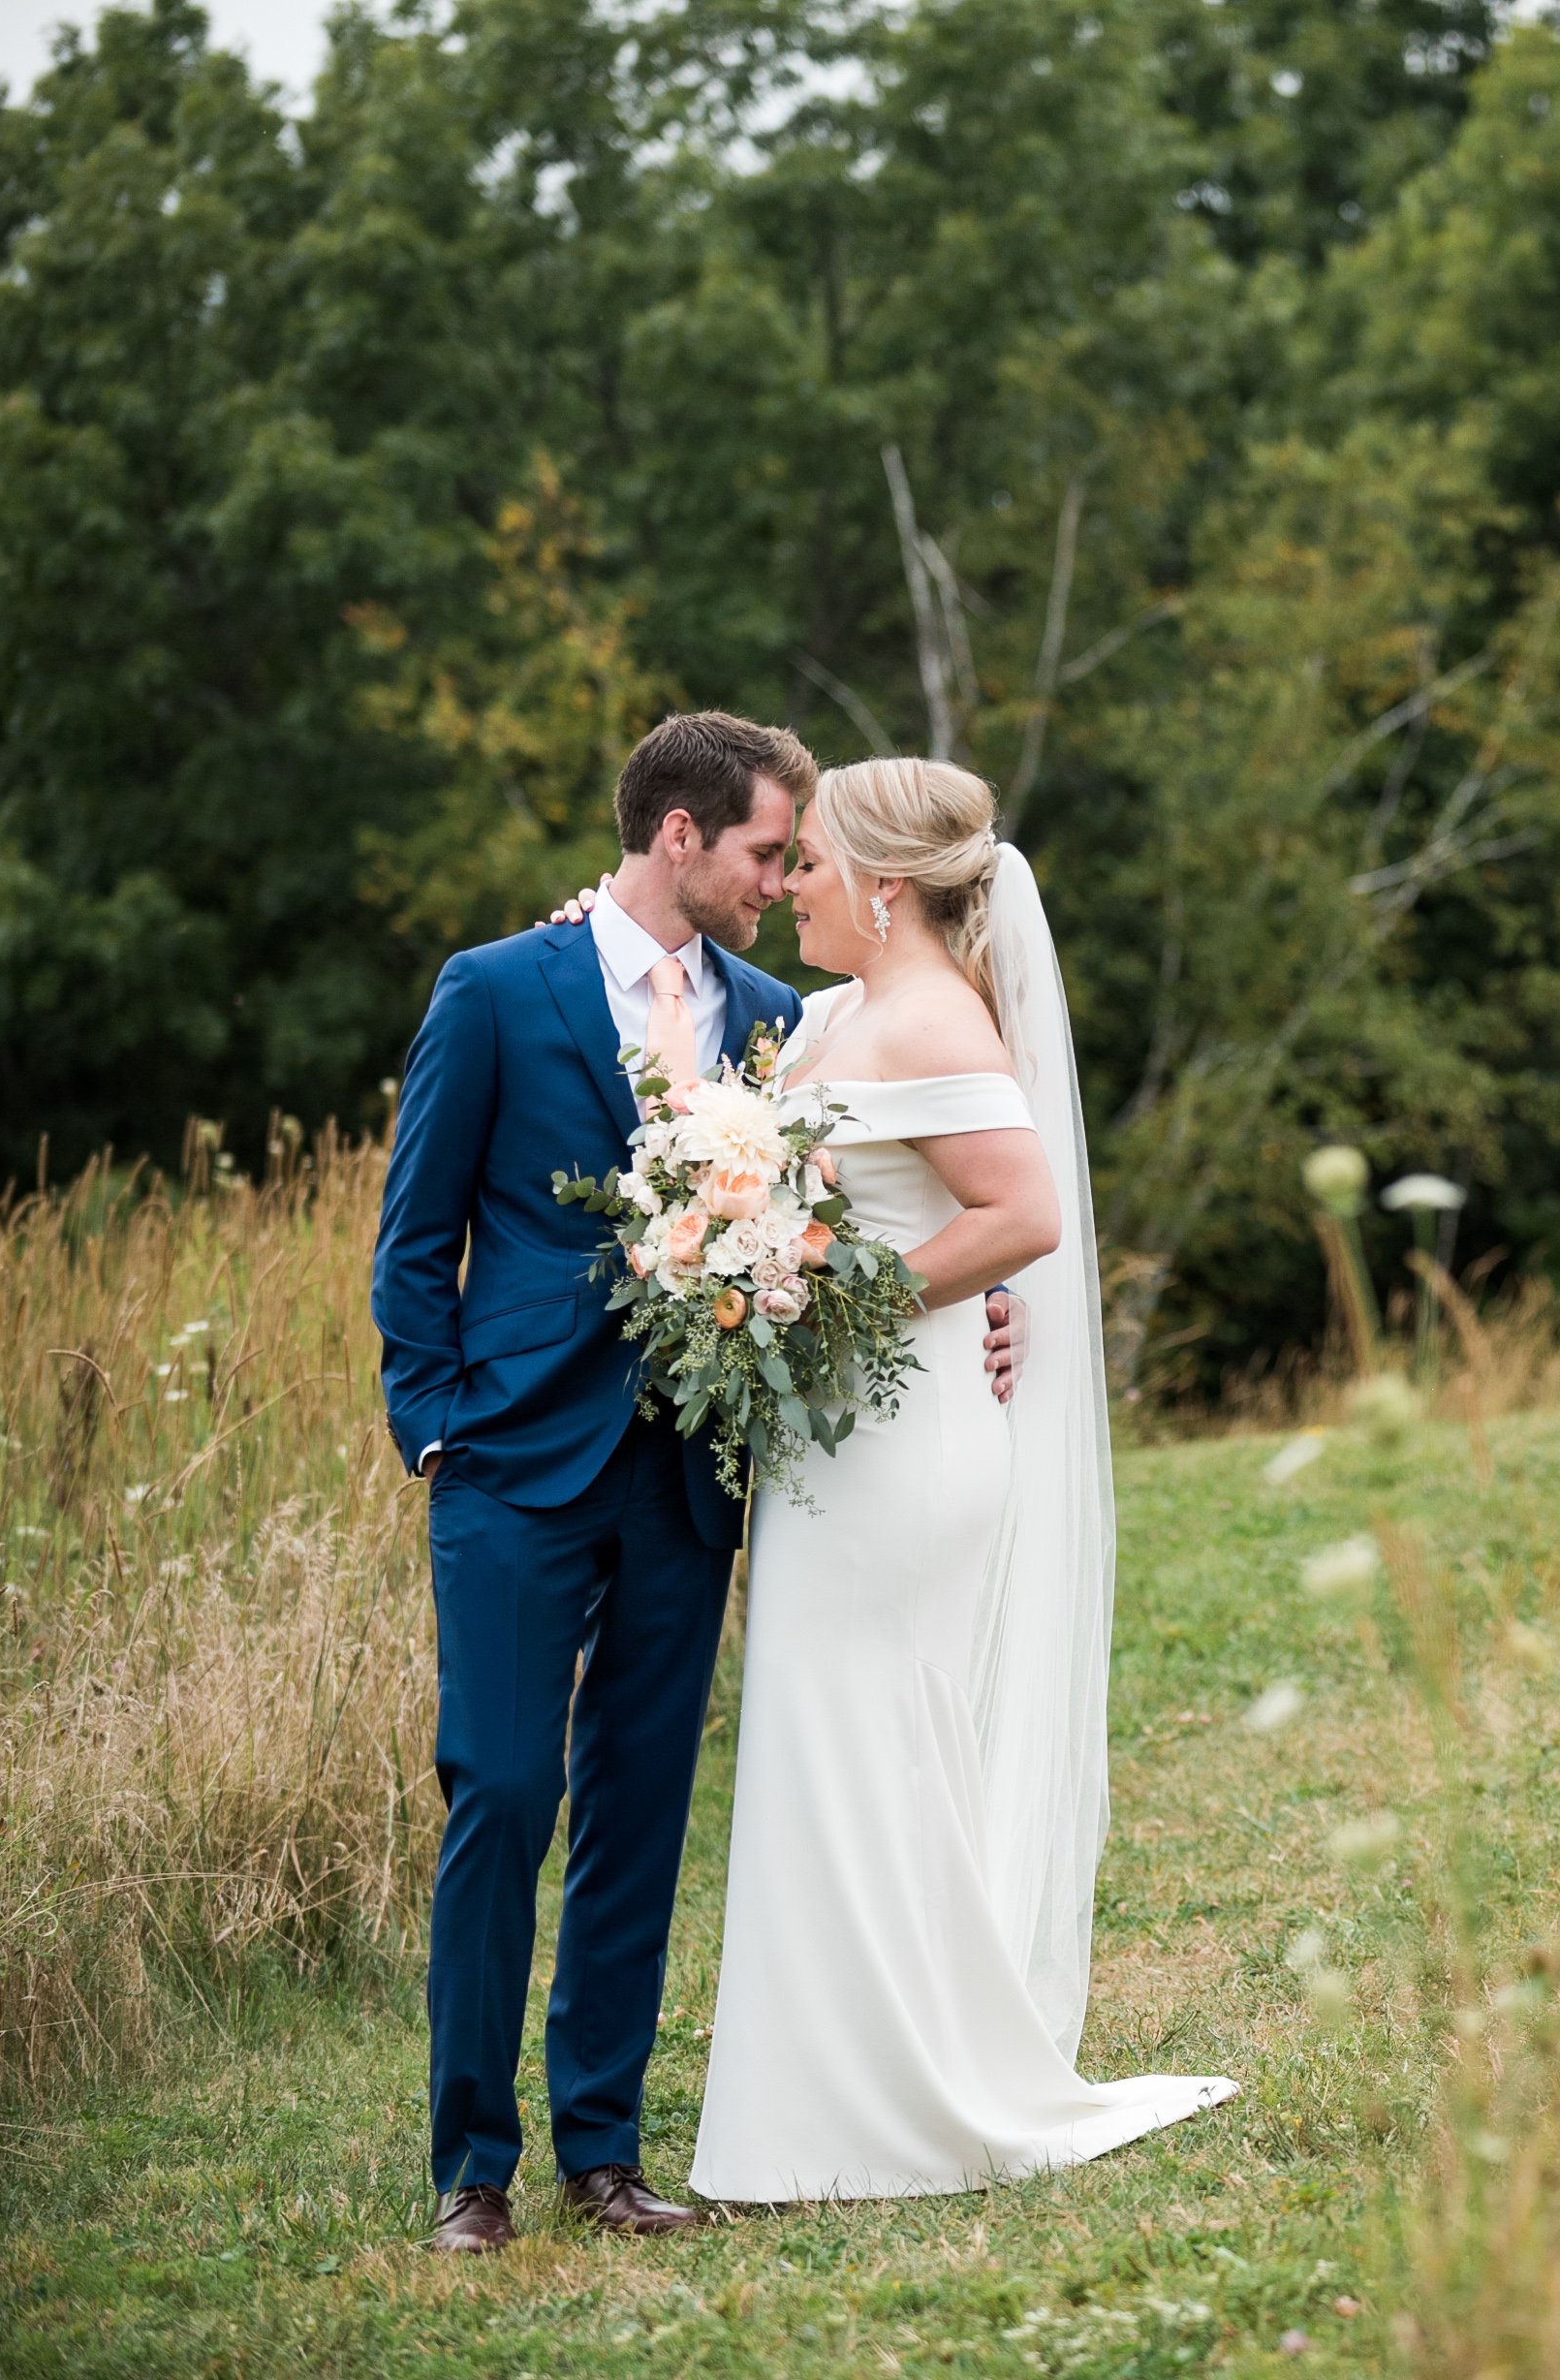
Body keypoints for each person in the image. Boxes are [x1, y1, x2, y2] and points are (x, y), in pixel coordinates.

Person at [370, 714, 1025, 2253]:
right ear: (680, 838)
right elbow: (415, 1237)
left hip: (692, 1468)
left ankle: (603, 2150)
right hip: (515, 1463)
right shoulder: (496, 990)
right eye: (762, 852)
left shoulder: (782, 1019)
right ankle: (472, 2168)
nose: (780, 876)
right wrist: (437, 1428)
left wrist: (988, 1307)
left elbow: (893, 1180)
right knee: (504, 1791)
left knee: (640, 1806)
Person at [685, 755, 1234, 2200]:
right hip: (842, 1445)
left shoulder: (931, 1019)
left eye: (808, 863)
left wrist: (848, 1311)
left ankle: (887, 2108)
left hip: (901, 1441)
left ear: (879, 882)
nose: (787, 883)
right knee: (841, 1749)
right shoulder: (840, 1012)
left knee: (870, 1743)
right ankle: (834, 2099)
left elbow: (1024, 1212)